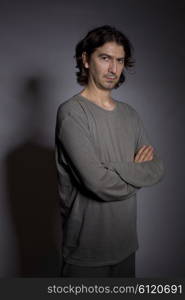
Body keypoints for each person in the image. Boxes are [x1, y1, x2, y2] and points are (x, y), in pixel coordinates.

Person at [55, 25, 165, 277]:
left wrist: (113, 168)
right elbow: (98, 183)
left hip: (126, 247)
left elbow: (157, 167)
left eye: (120, 60)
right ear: (85, 59)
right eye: (105, 58)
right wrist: (135, 172)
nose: (113, 69)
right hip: (86, 252)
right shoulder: (72, 113)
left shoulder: (130, 114)